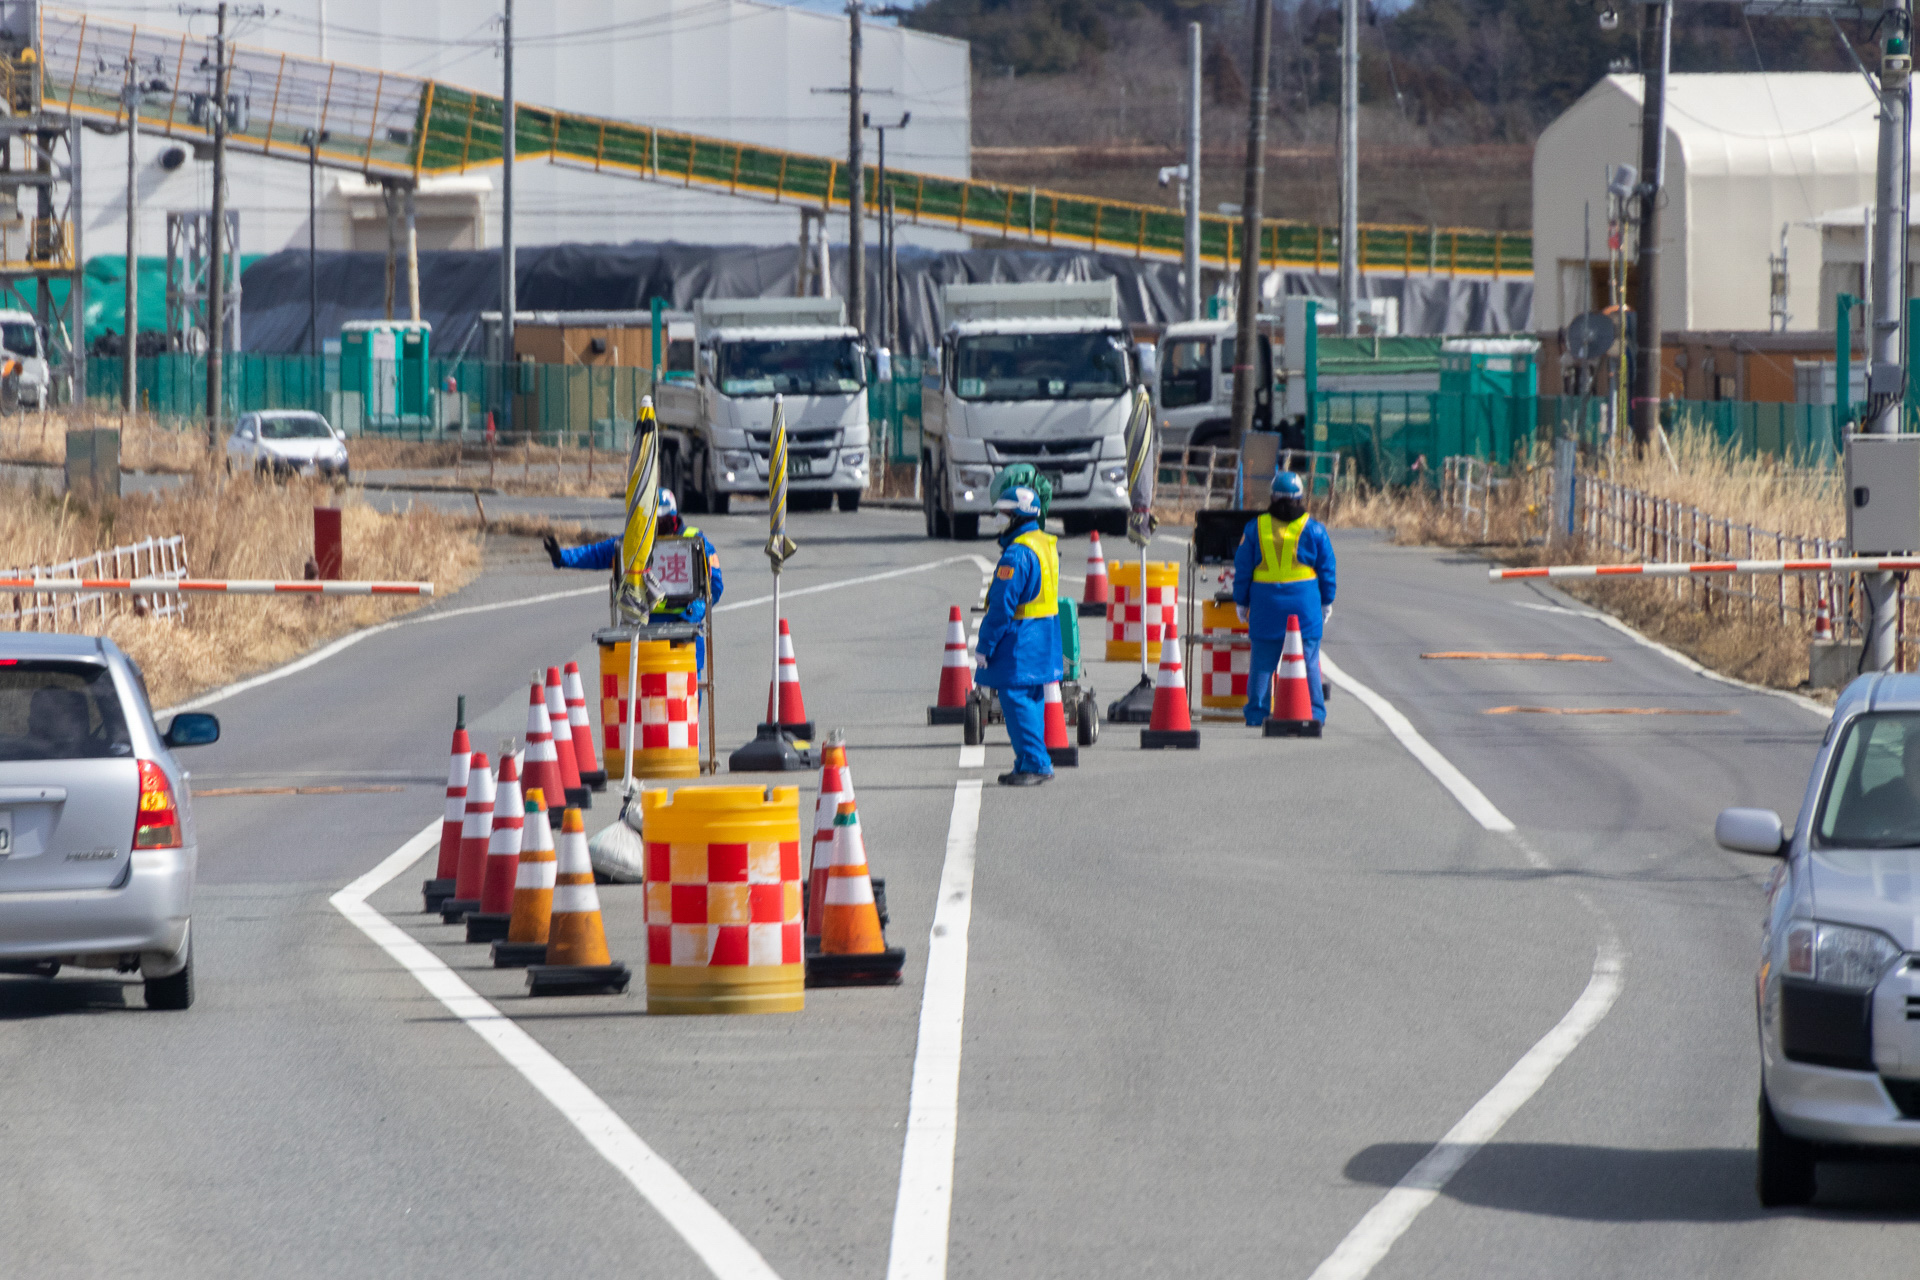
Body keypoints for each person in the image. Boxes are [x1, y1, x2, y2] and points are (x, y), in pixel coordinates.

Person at [544, 489, 724, 671]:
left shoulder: (695, 541)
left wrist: (691, 614)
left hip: (683, 635)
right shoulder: (634, 541)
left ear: (674, 517)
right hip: (641, 630)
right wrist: (562, 557)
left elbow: (714, 586)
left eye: (663, 520)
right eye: (653, 520)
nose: (658, 525)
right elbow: (598, 554)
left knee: (686, 697)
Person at [975, 481, 1063, 786]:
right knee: (1031, 698)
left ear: (1017, 517)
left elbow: (1001, 607)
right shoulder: (1044, 544)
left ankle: (1037, 764)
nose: (999, 518)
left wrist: (984, 645)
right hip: (1044, 636)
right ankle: (1027, 760)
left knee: (1015, 699)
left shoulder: (1016, 555)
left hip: (1020, 640)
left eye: (1004, 513)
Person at [1233, 470, 1337, 727]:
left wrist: (1241, 601)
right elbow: (1327, 569)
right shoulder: (1314, 530)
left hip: (1266, 606)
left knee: (1262, 664)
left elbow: (1243, 568)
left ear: (1272, 497)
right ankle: (1314, 714)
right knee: (1309, 661)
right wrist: (1327, 601)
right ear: (1300, 499)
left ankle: (1257, 715)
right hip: (1304, 606)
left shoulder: (1256, 527)